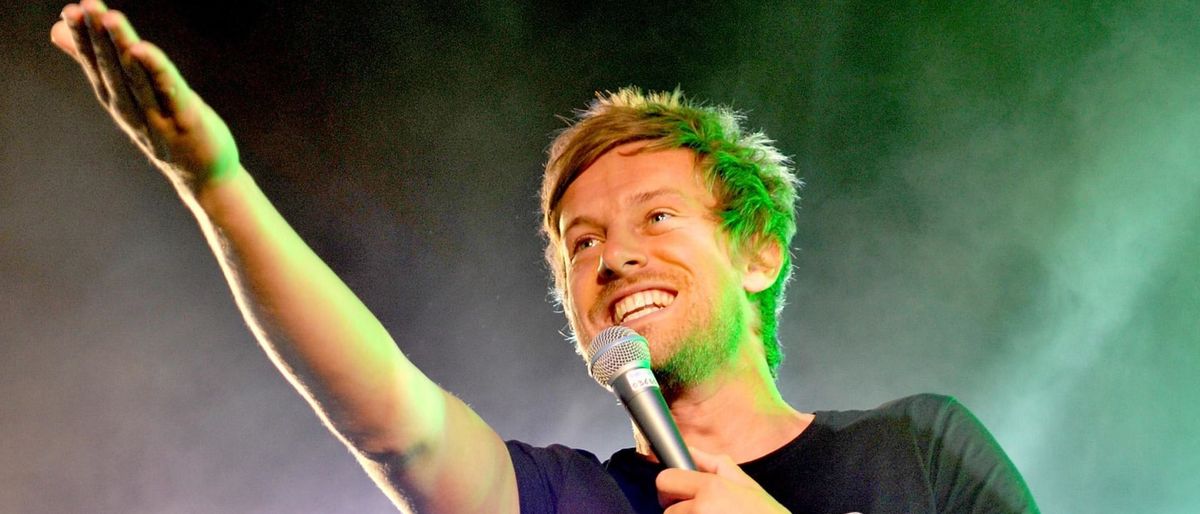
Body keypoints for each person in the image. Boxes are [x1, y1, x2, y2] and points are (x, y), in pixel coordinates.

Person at [51, 1, 1039, 513]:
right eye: (582, 241)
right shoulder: (567, 499)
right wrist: (216, 181)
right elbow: (390, 418)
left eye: (658, 217)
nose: (614, 257)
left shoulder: (917, 452)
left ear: (758, 255)